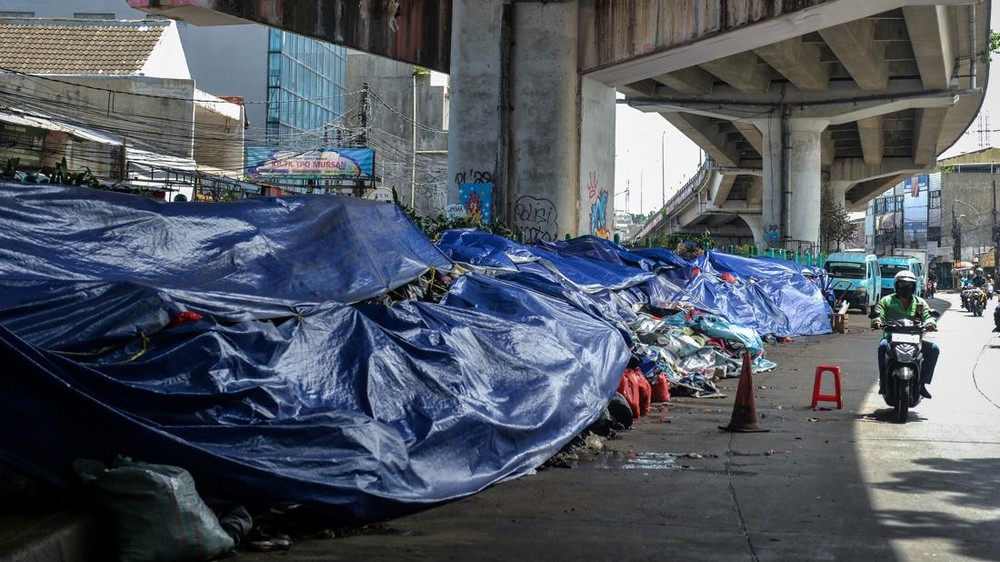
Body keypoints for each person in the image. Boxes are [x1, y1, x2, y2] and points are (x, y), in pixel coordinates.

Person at [872, 270, 939, 398]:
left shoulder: (920, 303)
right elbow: (878, 313)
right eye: (902, 285)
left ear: (914, 287)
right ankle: (883, 382)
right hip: (891, 338)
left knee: (934, 349)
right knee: (882, 347)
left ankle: (922, 383)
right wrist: (877, 321)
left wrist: (931, 324)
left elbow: (927, 315)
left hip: (914, 340)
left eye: (909, 285)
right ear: (896, 285)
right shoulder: (887, 301)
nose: (906, 288)